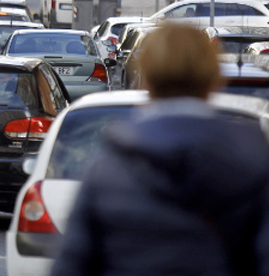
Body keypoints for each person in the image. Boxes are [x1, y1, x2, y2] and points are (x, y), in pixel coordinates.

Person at [51, 23, 269, 276]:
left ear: (146, 80)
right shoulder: (251, 163)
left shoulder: (107, 170)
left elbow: (72, 266)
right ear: (213, 79)